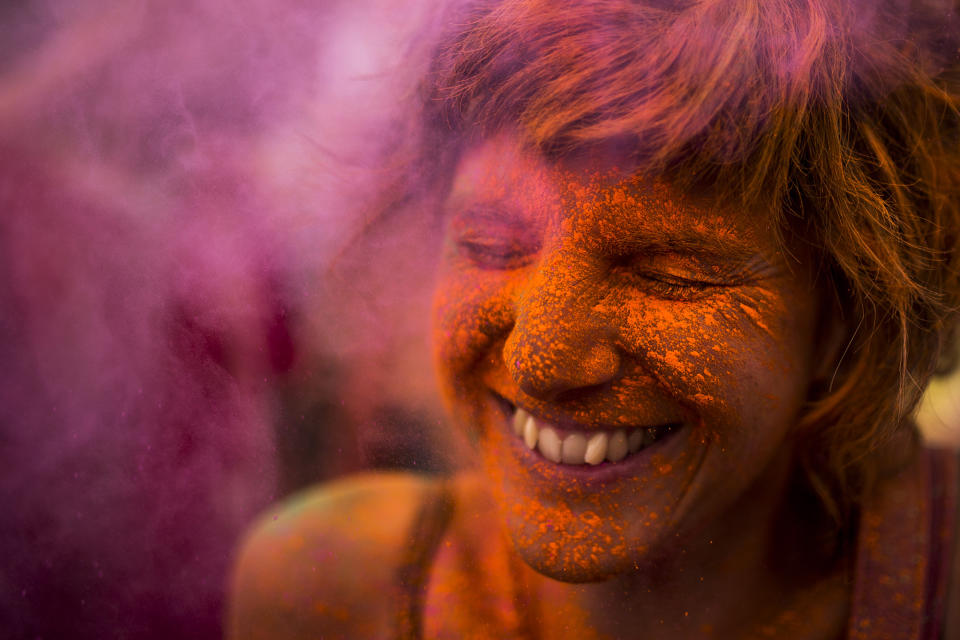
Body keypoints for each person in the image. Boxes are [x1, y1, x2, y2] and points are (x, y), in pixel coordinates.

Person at [226, 0, 960, 638]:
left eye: (669, 274)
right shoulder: (334, 592)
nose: (542, 358)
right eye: (489, 246)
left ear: (851, 315)